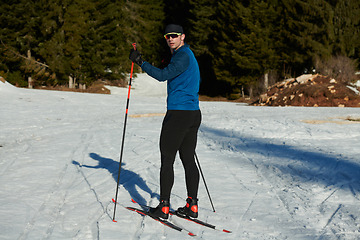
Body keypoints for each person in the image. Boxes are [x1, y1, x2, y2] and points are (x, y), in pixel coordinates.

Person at [129, 24, 201, 219]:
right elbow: (176, 71)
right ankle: (192, 205)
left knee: (167, 159)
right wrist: (167, 61)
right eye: (168, 36)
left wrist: (140, 62)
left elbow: (162, 76)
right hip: (193, 114)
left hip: (179, 114)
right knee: (188, 160)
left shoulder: (182, 55)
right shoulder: (185, 54)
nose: (170, 39)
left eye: (175, 36)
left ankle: (164, 207)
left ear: (182, 36)